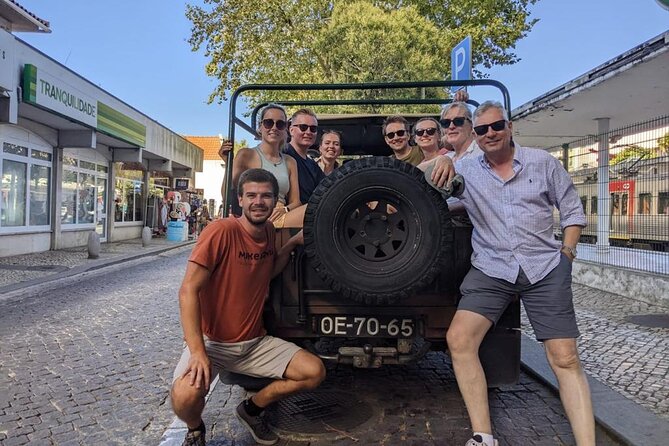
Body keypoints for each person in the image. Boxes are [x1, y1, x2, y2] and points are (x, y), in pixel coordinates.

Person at [445, 101, 594, 446]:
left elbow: (573, 212)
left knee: (565, 357)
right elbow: (438, 195)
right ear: (475, 135)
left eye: (496, 126)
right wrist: (440, 159)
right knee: (459, 339)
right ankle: (483, 436)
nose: (489, 134)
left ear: (509, 127)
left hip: (544, 266)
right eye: (481, 130)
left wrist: (566, 257)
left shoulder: (542, 163)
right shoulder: (466, 171)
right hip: (492, 268)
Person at [170, 168, 326, 446]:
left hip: (254, 343)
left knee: (314, 372)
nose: (259, 202)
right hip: (212, 343)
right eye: (251, 195)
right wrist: (197, 352)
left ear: (274, 201)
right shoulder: (221, 230)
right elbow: (188, 290)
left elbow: (266, 271)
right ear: (239, 200)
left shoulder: (267, 230)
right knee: (184, 397)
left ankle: (253, 409)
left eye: (266, 196)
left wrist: (290, 243)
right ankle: (195, 429)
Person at [218, 104, 301, 227]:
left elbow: (296, 202)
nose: (274, 128)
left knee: (317, 211)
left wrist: (285, 209)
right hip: (258, 212)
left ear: (285, 129)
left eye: (280, 124)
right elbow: (227, 196)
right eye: (268, 123)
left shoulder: (290, 161)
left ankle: (288, 244)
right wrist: (228, 164)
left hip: (281, 213)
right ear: (260, 127)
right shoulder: (246, 155)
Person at [440, 101, 483, 216]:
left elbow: (485, 197)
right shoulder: (446, 157)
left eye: (458, 121)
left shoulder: (481, 155)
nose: (451, 126)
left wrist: (444, 210)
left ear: (471, 125)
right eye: (445, 123)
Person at [284, 108, 327, 204]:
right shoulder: (282, 155)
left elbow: (328, 187)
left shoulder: (313, 165)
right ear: (291, 130)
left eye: (313, 129)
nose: (308, 132)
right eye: (303, 127)